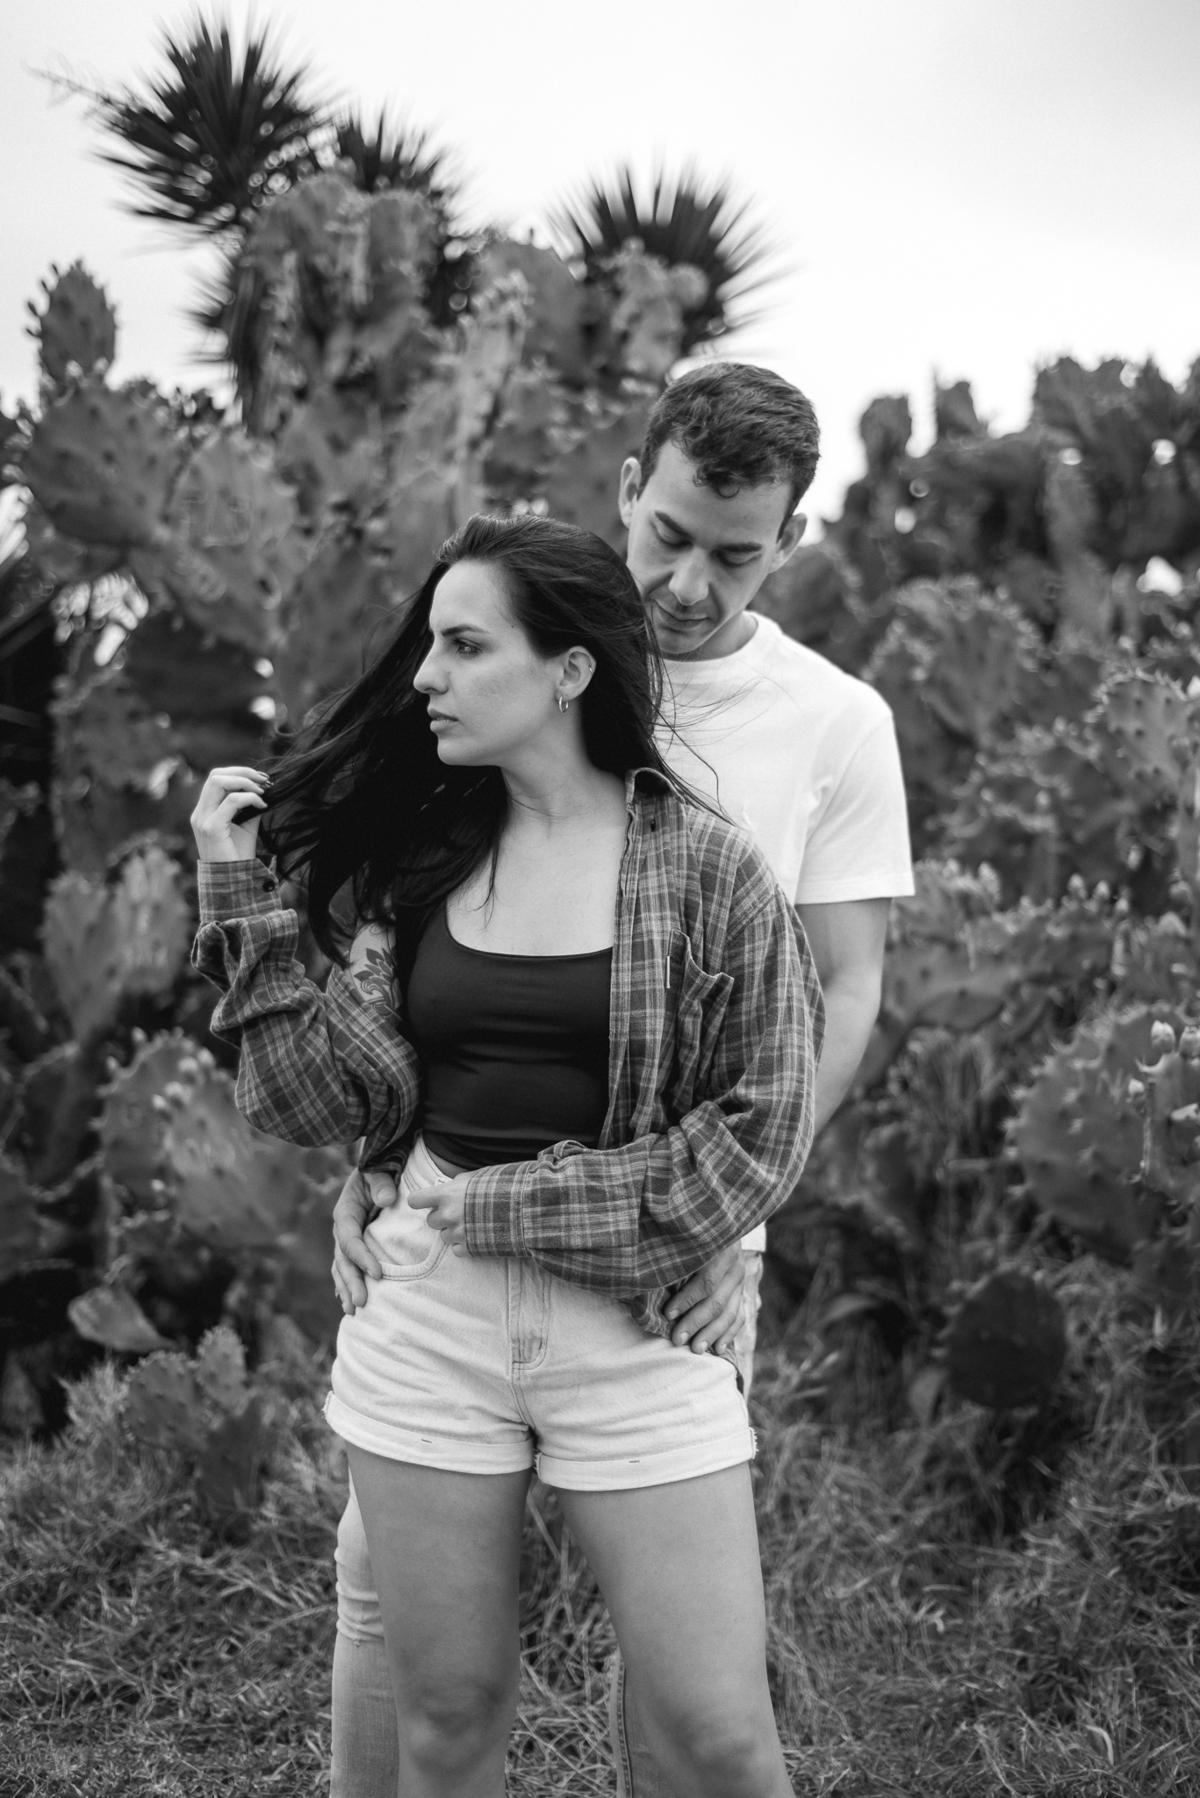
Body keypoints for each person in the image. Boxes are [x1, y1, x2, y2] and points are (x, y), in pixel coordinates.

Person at [330, 364, 915, 1796]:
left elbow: (841, 994)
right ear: (628, 488)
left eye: (738, 554)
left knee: (689, 1696)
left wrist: (734, 1216)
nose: (692, 585)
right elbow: (418, 978)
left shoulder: (834, 721)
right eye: (668, 537)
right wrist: (373, 1162)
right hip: (445, 1245)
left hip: (681, 1240)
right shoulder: (509, 665)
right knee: (390, 1616)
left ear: (792, 537)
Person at [190, 513, 823, 1798]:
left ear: (569, 669)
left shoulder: (711, 870)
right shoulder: (426, 863)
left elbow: (764, 1125)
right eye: (432, 645)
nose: (427, 675)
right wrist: (238, 893)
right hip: (429, 1316)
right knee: (448, 1716)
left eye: (467, 646)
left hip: (639, 1324)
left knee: (720, 1739)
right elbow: (310, 1101)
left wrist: (514, 1206)